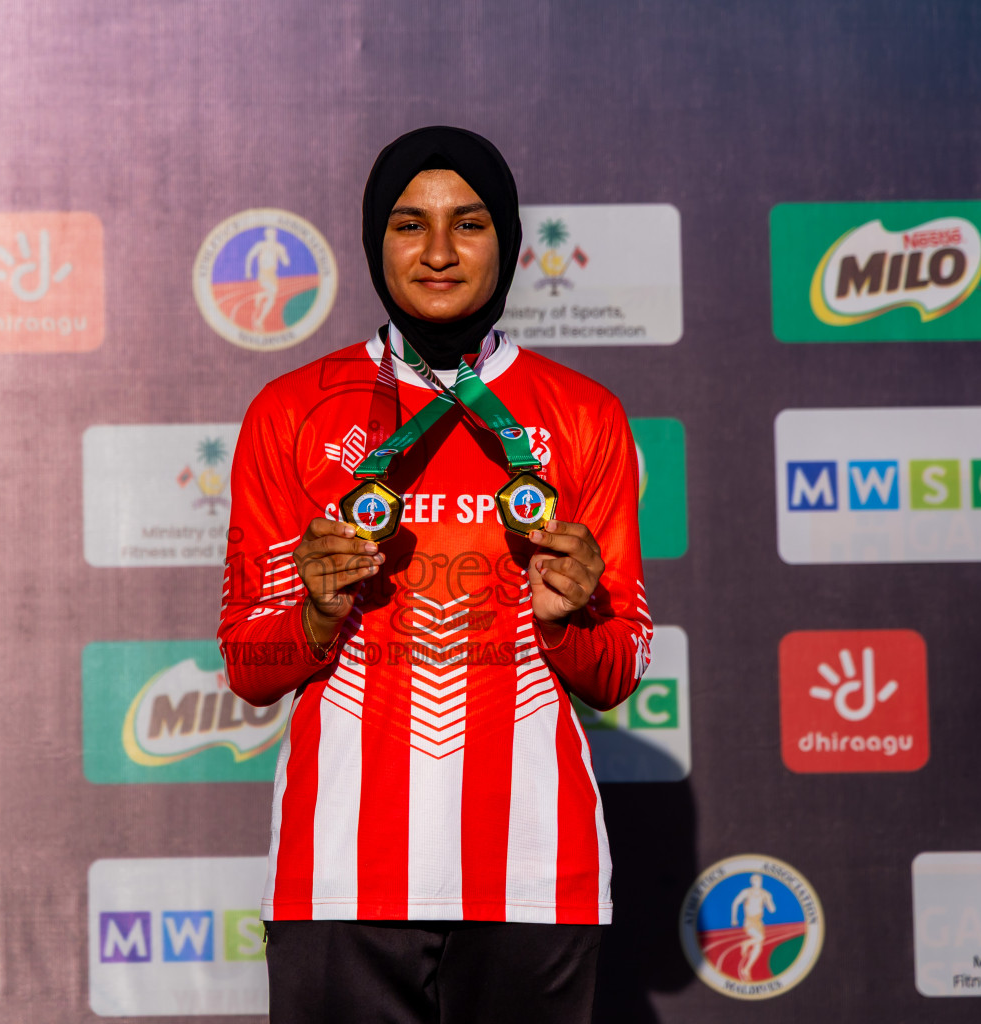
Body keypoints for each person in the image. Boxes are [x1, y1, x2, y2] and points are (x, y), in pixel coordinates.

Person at [218, 126, 653, 1023]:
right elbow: (248, 669)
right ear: (376, 241)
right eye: (411, 224)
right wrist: (313, 611)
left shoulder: (585, 416)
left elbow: (618, 672)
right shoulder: (292, 411)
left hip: (533, 878)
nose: (442, 251)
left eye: (471, 223)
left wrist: (571, 617)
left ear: (511, 241)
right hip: (341, 877)